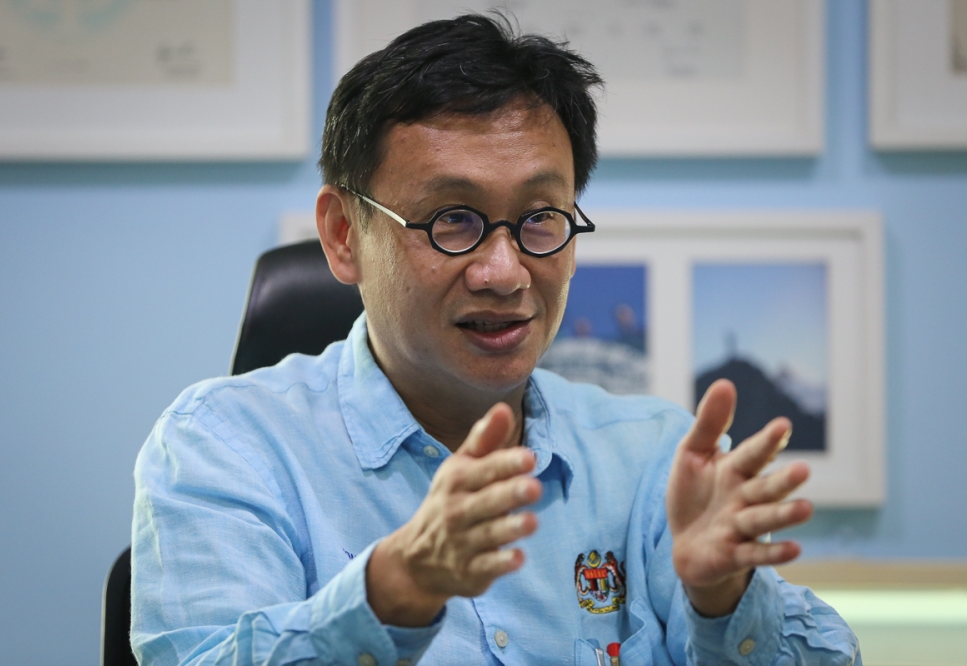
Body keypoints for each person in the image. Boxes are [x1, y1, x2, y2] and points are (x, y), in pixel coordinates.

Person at [131, 14, 860, 666]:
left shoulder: (654, 461)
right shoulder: (225, 446)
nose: (506, 272)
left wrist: (722, 599)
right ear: (343, 234)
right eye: (453, 219)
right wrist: (391, 592)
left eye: (542, 218)